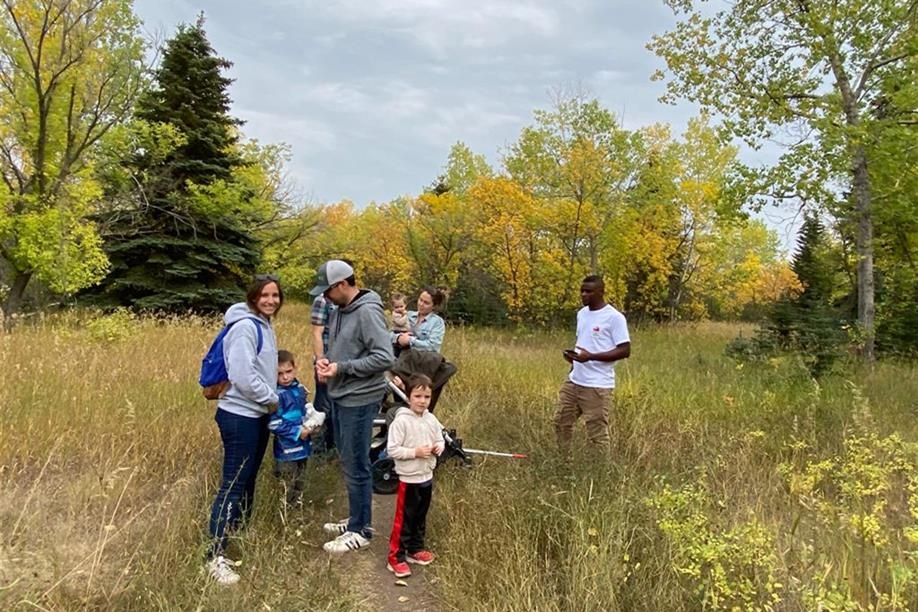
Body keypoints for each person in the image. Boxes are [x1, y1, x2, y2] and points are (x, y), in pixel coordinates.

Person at [310, 259, 395, 553]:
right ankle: (356, 518)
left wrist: (342, 368)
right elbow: (339, 347)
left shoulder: (368, 311)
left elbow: (385, 357)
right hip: (342, 396)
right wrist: (325, 361)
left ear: (342, 284)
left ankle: (362, 531)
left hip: (361, 399)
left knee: (357, 463)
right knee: (347, 460)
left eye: (327, 290)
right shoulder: (339, 310)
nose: (324, 297)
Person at [205, 274, 282, 585]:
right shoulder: (245, 327)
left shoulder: (263, 325)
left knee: (248, 479)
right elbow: (241, 374)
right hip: (240, 416)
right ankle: (213, 556)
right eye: (265, 295)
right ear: (253, 297)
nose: (271, 300)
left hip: (256, 414)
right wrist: (272, 399)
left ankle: (237, 534)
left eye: (275, 295)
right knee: (233, 483)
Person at [555, 274, 631, 449]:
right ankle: (564, 464)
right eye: (582, 290)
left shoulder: (614, 317)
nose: (583, 294)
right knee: (560, 423)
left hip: (597, 386)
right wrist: (573, 359)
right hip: (574, 381)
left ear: (601, 292)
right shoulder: (582, 314)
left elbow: (625, 350)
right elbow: (584, 343)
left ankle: (600, 473)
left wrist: (591, 357)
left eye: (588, 291)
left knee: (597, 435)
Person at [385, 374, 445, 578]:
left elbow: (440, 438)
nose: (422, 401)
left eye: (426, 397)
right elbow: (393, 450)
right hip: (408, 480)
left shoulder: (431, 419)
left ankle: (415, 549)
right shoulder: (401, 422)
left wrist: (439, 447)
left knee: (420, 516)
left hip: (426, 476)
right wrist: (415, 453)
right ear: (409, 397)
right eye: (418, 396)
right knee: (405, 520)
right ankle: (396, 557)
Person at [268, 350, 324, 505]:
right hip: (286, 449)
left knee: (300, 481)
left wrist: (313, 421)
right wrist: (297, 432)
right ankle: (283, 514)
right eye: (280, 374)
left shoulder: (299, 389)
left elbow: (303, 411)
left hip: (303, 447)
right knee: (285, 484)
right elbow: (273, 423)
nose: (285, 377)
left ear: (295, 368)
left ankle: (296, 510)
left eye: (288, 372)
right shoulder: (275, 395)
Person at [310, 294, 337, 454]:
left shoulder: (348, 300)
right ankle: (317, 450)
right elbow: (317, 333)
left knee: (336, 410)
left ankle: (333, 447)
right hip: (325, 364)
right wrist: (321, 362)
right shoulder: (322, 300)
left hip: (341, 366)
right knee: (322, 409)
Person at [392, 287, 447, 354]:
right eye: (420, 300)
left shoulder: (437, 322)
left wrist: (410, 340)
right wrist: (398, 338)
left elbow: (433, 346)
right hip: (401, 357)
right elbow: (388, 334)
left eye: (426, 303)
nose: (421, 304)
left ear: (434, 306)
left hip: (423, 360)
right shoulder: (408, 315)